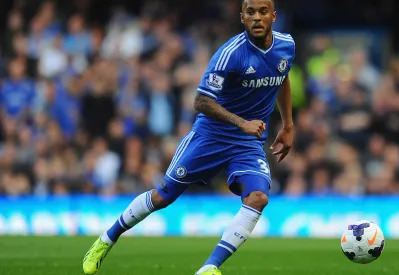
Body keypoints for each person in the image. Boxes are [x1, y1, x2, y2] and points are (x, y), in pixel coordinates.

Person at [82, 0, 295, 274]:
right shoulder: (229, 54)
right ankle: (107, 238)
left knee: (258, 198)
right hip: (211, 135)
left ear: (273, 16)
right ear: (242, 17)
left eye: (262, 12)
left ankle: (209, 268)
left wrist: (288, 125)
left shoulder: (286, 45)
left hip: (246, 143)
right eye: (250, 12)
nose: (256, 18)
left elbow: (282, 76)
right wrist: (241, 122)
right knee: (164, 195)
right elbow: (201, 101)